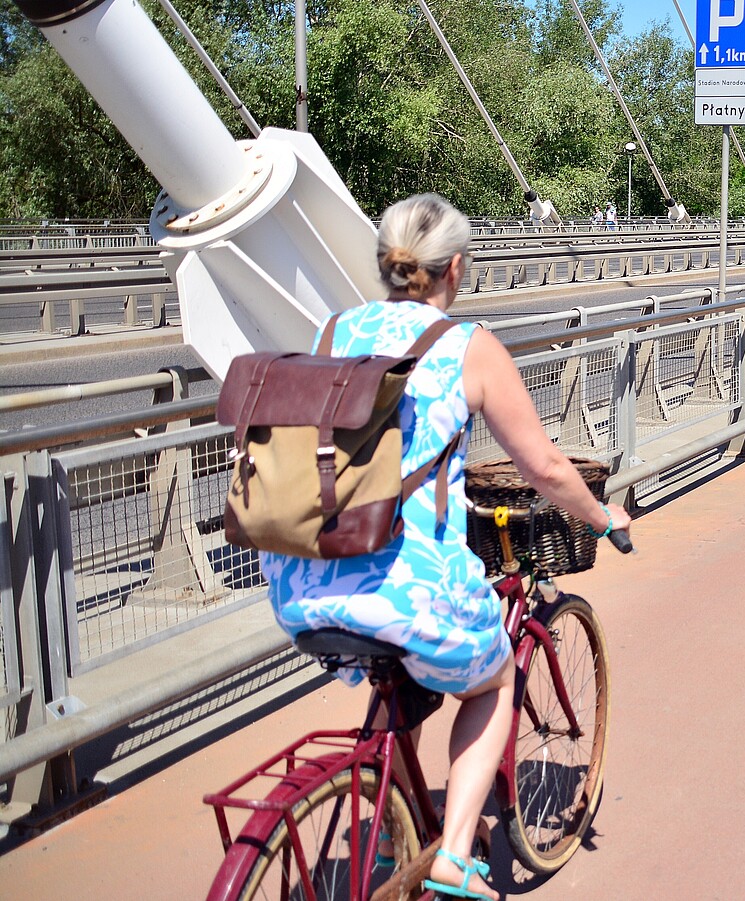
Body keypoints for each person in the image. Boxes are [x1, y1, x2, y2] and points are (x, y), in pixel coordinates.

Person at [262, 193, 631, 900]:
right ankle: (454, 852)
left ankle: (398, 819)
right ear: (455, 267)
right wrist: (603, 518)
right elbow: (546, 469)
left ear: (386, 265)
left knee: (392, 680)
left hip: (303, 580)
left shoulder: (333, 330)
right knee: (492, 682)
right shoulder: (470, 346)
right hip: (408, 586)